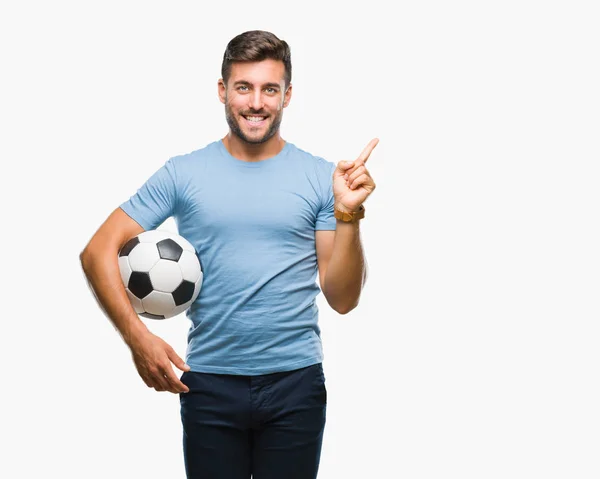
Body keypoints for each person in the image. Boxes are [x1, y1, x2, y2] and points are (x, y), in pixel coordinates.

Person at [80, 29, 378, 479]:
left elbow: (342, 298)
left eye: (269, 89)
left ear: (287, 95)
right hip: (209, 385)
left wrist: (347, 214)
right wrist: (137, 339)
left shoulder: (322, 177)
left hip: (295, 383)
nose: (256, 102)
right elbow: (97, 250)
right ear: (223, 91)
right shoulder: (183, 173)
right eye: (244, 87)